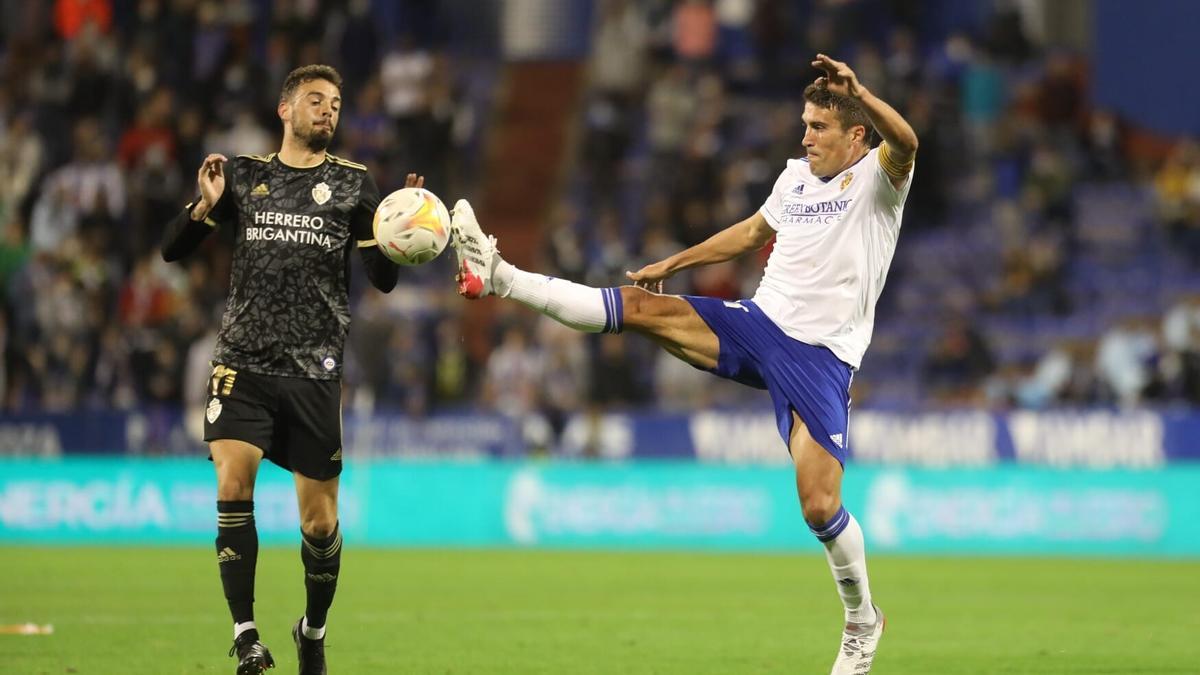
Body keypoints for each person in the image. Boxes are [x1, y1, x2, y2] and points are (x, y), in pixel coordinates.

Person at [450, 54, 916, 675]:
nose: (805, 138)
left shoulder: (881, 180)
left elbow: (908, 141)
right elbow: (751, 233)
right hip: (758, 324)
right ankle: (499, 275)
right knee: (642, 309)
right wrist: (674, 264)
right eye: (804, 124)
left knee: (818, 506)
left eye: (819, 128)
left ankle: (862, 620)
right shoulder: (795, 179)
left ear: (857, 134)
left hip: (823, 356)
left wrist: (861, 89)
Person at [161, 64, 419, 675]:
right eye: (315, 101)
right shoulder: (245, 176)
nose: (328, 111)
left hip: (314, 368)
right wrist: (204, 205)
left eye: (335, 103)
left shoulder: (356, 185)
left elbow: (383, 281)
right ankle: (246, 636)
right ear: (285, 110)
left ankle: (313, 631)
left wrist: (395, 230)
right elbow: (172, 248)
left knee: (319, 520)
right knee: (232, 483)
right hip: (243, 361)